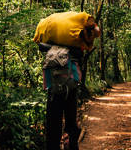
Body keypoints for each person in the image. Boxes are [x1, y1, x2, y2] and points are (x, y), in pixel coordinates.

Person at [34, 12, 100, 150]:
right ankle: (72, 144)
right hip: (71, 85)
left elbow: (40, 43)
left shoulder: (50, 46)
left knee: (53, 121)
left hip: (53, 87)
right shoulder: (78, 39)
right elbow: (94, 34)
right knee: (70, 118)